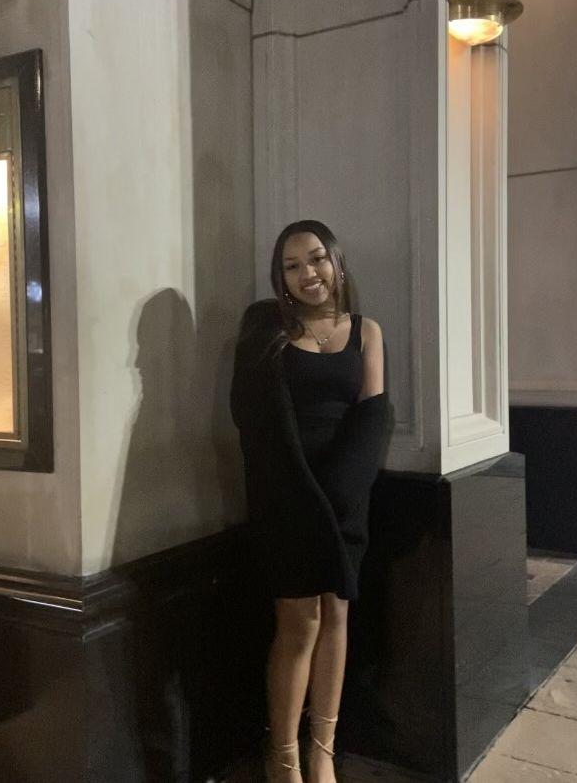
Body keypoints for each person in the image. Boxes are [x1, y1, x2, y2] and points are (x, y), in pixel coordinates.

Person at [230, 220, 391, 782]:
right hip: (286, 494)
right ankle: (283, 758)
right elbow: (253, 418)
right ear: (280, 278)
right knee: (299, 622)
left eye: (317, 258)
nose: (308, 273)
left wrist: (341, 494)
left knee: (337, 613)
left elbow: (373, 415)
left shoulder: (367, 331)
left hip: (344, 497)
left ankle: (322, 751)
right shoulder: (266, 328)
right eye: (292, 266)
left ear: (336, 262)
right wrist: (304, 495)